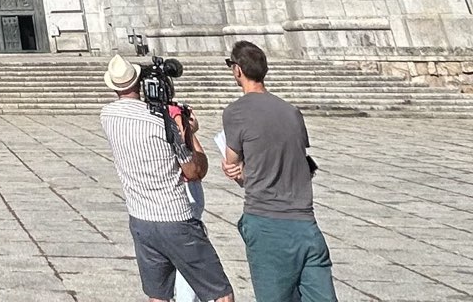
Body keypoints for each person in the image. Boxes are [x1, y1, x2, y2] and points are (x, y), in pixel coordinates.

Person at [100, 54, 234, 302]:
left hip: (140, 220)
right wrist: (188, 131)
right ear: (138, 82)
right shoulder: (162, 122)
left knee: (158, 296)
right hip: (174, 218)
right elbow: (194, 172)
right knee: (221, 294)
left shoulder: (107, 115)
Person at [221, 41, 336, 302]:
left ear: (237, 70)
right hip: (306, 224)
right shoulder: (292, 111)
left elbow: (233, 164)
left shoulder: (235, 112)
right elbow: (300, 159)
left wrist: (236, 171)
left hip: (267, 224)